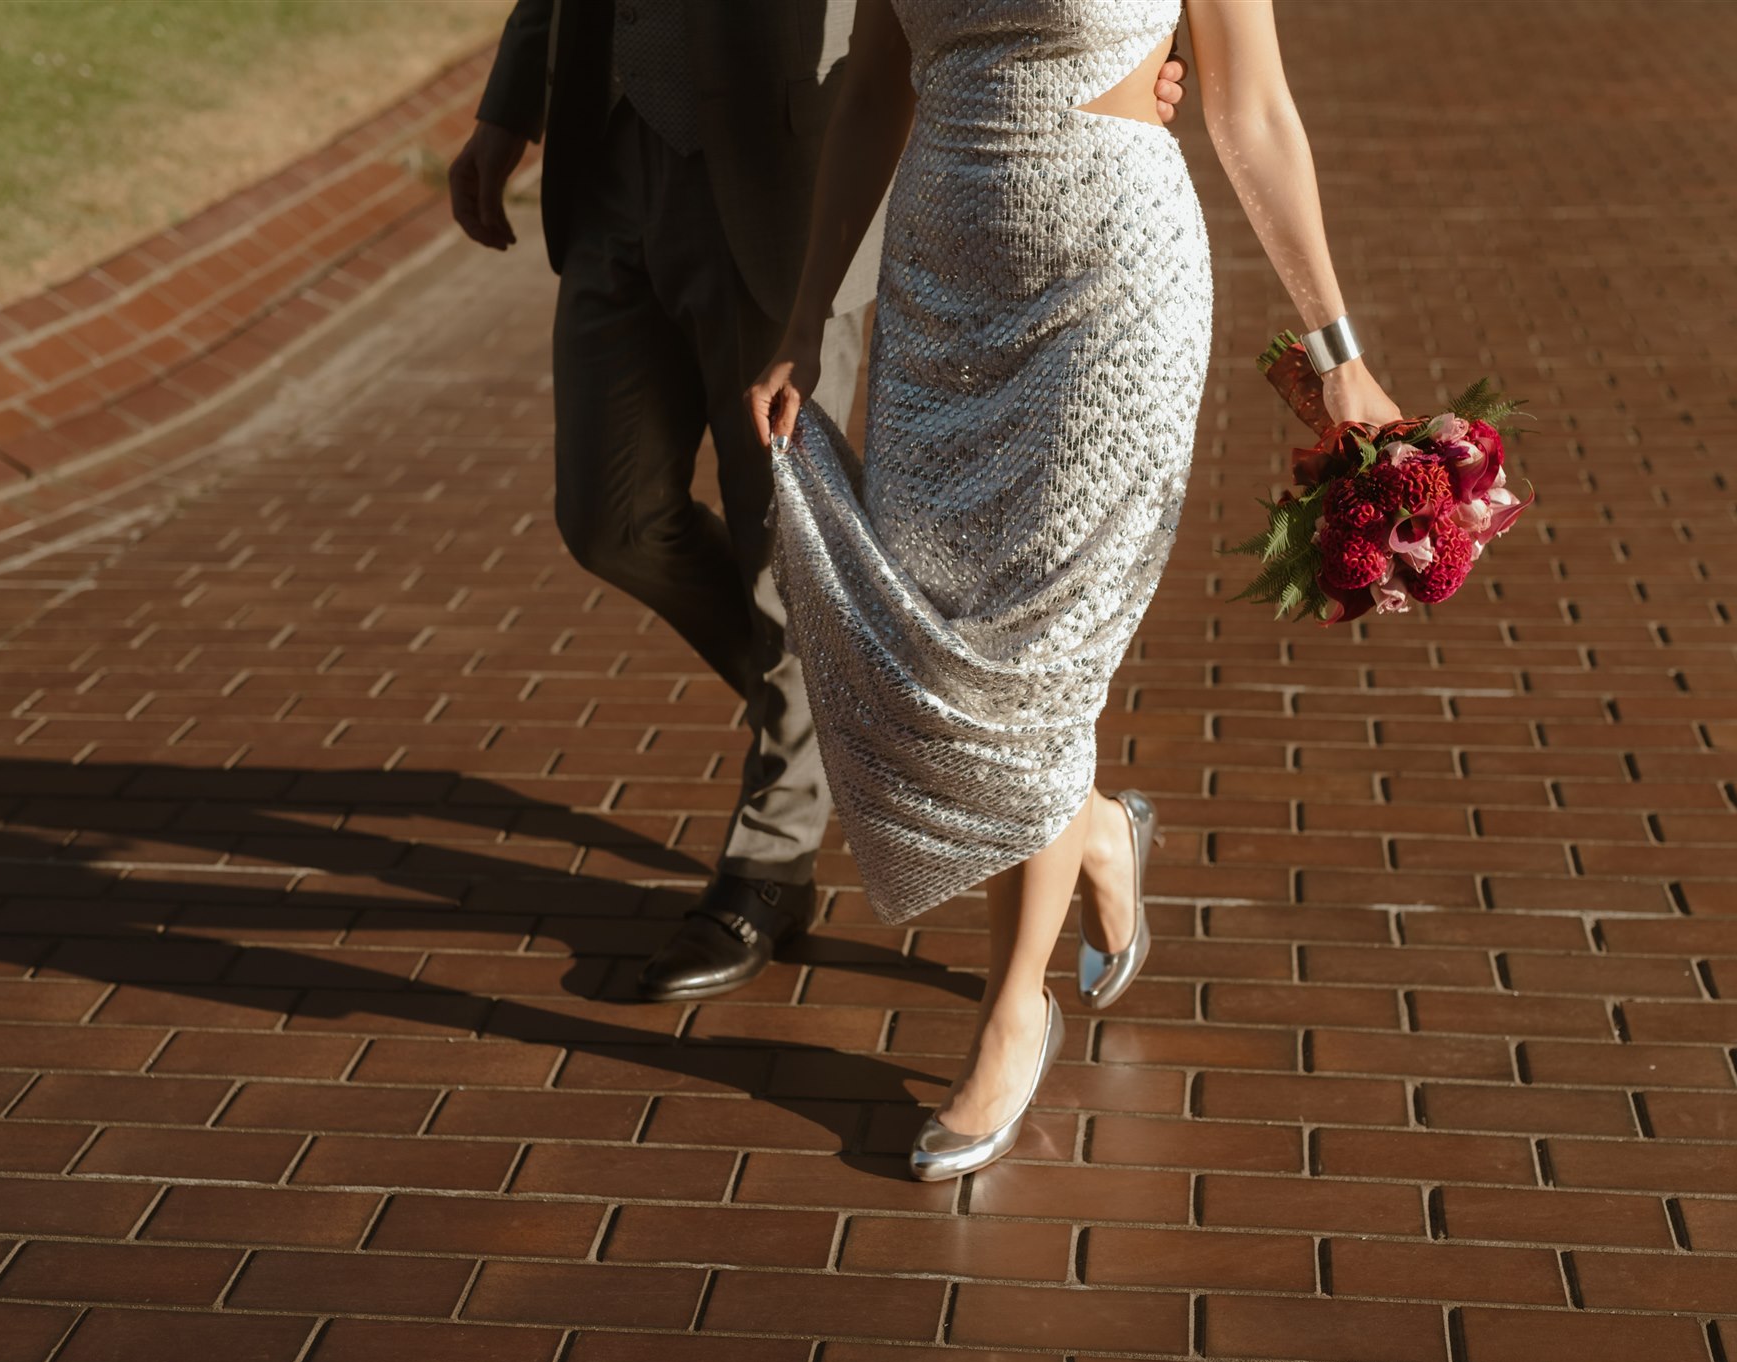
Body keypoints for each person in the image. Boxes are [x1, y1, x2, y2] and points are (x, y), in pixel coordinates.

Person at [748, 0, 1402, 1180]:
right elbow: (870, 87)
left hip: (1112, 287)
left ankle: (1013, 1011)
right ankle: (1096, 828)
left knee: (1038, 652)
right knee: (948, 637)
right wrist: (806, 314)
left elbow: (1247, 105)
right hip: (936, 288)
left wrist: (1336, 352)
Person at [448, 2, 1189, 1003]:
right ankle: (994, 774)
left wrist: (1116, 55)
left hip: (781, 170)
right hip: (613, 151)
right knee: (607, 518)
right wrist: (508, 107)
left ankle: (771, 859)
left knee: (787, 545)